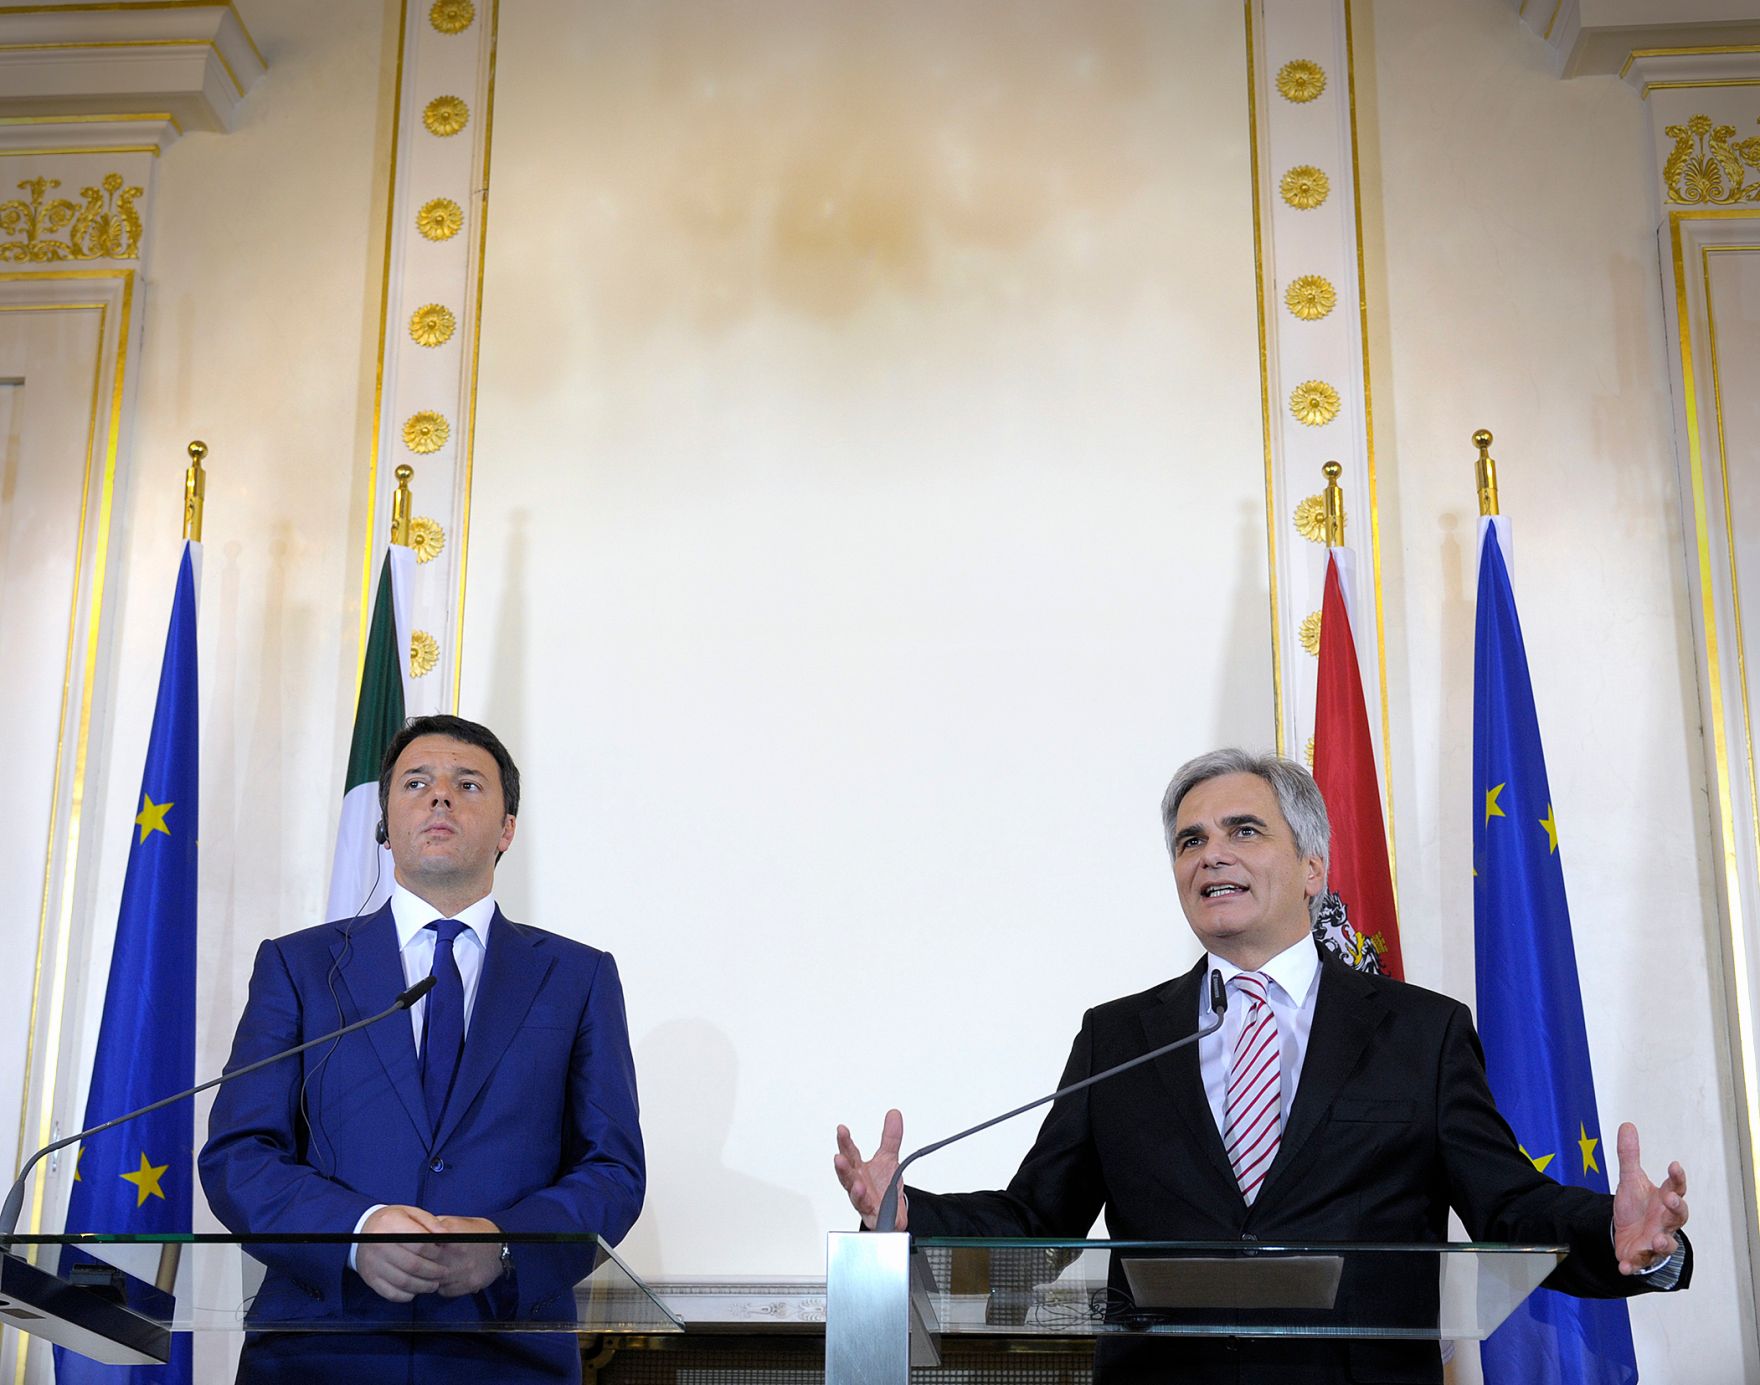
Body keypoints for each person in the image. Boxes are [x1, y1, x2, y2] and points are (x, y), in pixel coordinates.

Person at [833, 748, 1690, 1384]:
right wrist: (911, 1213)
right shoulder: (1120, 1038)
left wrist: (1621, 1240)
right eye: (1189, 840)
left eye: (1244, 830)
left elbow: (1509, 1206)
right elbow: (1035, 1221)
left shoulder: (1419, 1033)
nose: (1211, 853)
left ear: (1313, 865)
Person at [201, 715, 644, 1384]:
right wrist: (356, 1229)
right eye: (416, 782)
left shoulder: (578, 978)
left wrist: (502, 1245)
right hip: (319, 1355)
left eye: (468, 784)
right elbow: (240, 1155)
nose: (440, 796)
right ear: (385, 822)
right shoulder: (299, 965)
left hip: (505, 1357)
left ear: (506, 829)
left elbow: (612, 1169)